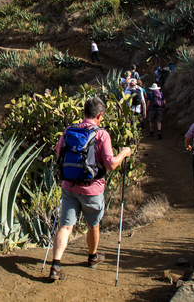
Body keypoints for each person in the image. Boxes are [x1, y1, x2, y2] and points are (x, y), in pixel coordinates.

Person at [49, 97, 132, 281]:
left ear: (84, 112)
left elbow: (58, 151)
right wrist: (124, 153)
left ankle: (55, 265)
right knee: (93, 224)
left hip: (69, 186)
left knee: (65, 226)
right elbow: (110, 164)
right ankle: (93, 257)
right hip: (91, 189)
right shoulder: (102, 135)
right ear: (99, 115)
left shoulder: (70, 130)